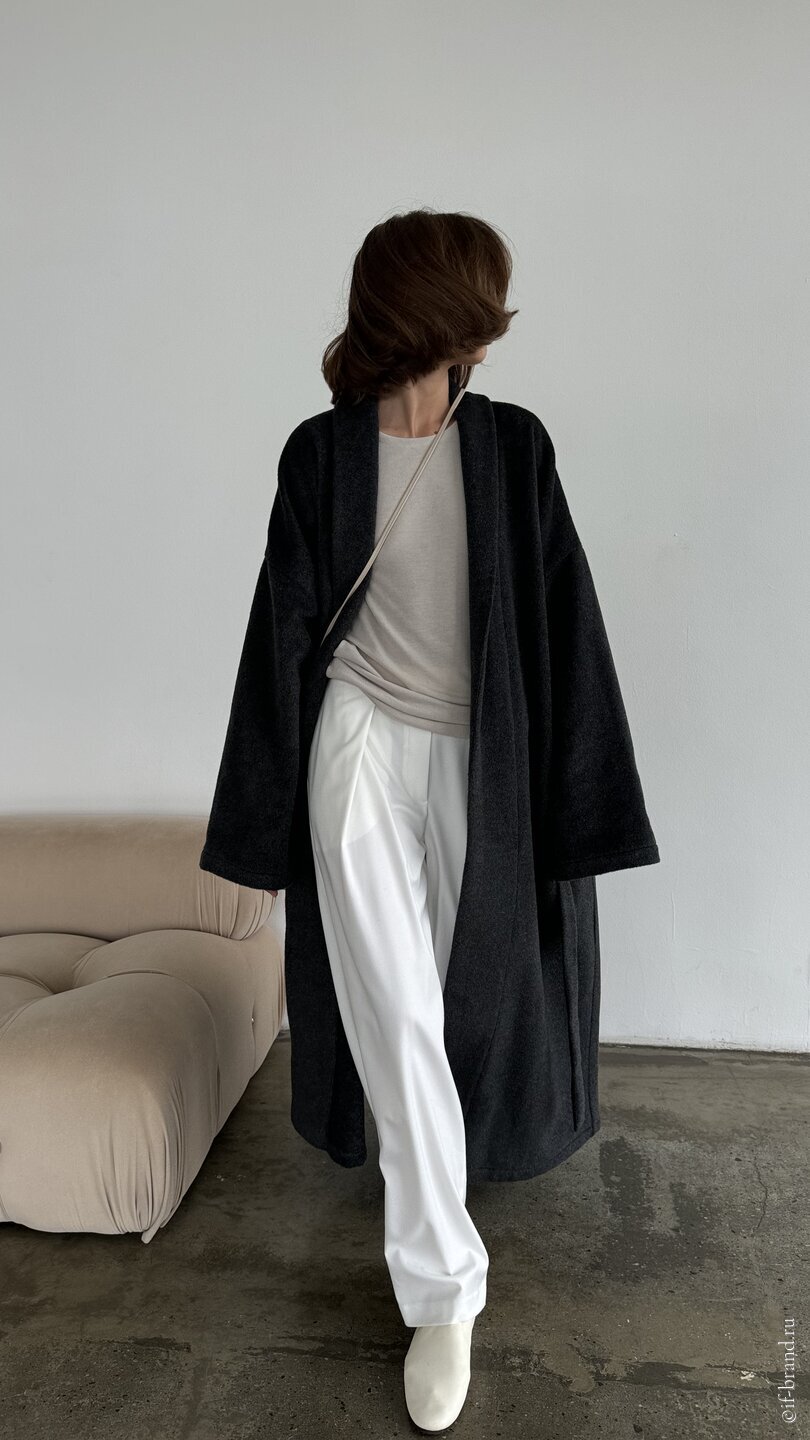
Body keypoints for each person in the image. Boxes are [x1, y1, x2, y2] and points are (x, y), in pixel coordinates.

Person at [199, 208, 660, 1432]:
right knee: (394, 1008)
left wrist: (582, 801)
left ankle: (444, 1199)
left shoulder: (511, 448)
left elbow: (565, 619)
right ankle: (444, 1293)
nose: (497, 329)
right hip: (358, 746)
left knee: (477, 1000)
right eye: (484, 303)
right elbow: (279, 634)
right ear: (440, 313)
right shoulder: (321, 454)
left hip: (482, 755)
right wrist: (253, 827)